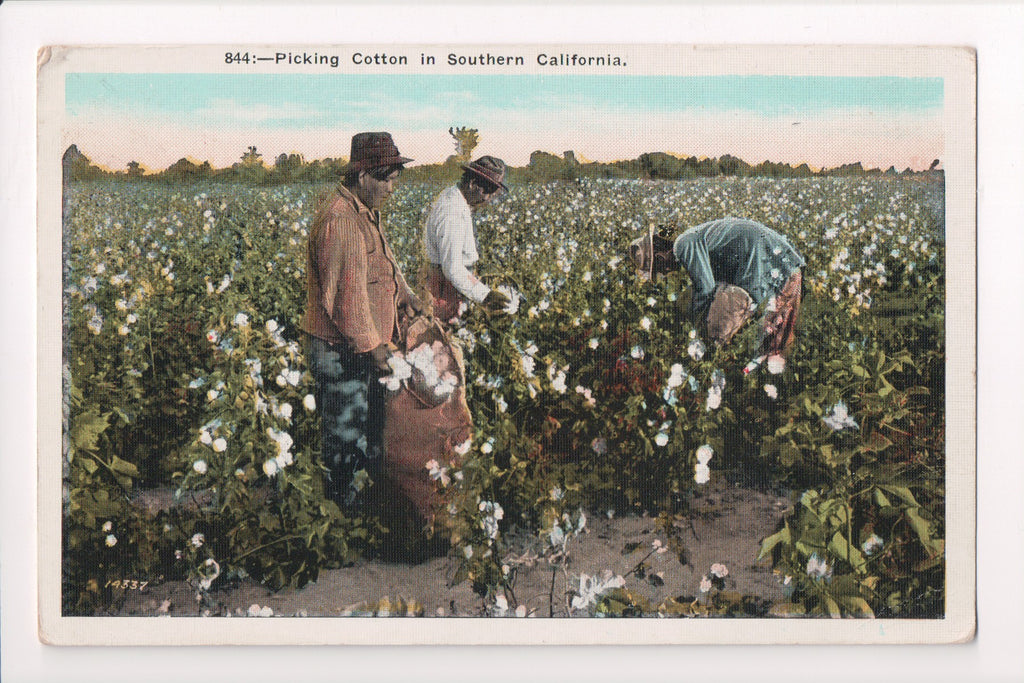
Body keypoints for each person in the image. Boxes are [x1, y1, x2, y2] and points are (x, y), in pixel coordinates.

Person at [301, 131, 424, 508]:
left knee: (366, 429)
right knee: (344, 436)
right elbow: (347, 299)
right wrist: (375, 347)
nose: (392, 185)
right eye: (386, 177)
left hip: (362, 346)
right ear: (362, 175)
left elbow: (382, 267)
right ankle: (338, 518)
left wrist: (405, 296)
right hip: (342, 349)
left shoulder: (364, 212)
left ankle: (358, 509)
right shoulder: (341, 220)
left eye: (395, 177)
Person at [629, 217, 806, 356]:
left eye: (660, 269)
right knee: (774, 337)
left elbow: (705, 288)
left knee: (773, 341)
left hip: (772, 263)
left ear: (660, 257)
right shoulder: (690, 239)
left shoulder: (682, 245)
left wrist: (695, 327)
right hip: (778, 261)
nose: (665, 273)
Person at [421, 155, 512, 322]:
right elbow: (452, 268)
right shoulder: (452, 212)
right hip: (444, 289)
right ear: (472, 184)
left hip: (454, 284)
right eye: (488, 192)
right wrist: (486, 296)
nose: (487, 199)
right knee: (445, 335)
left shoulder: (455, 199)